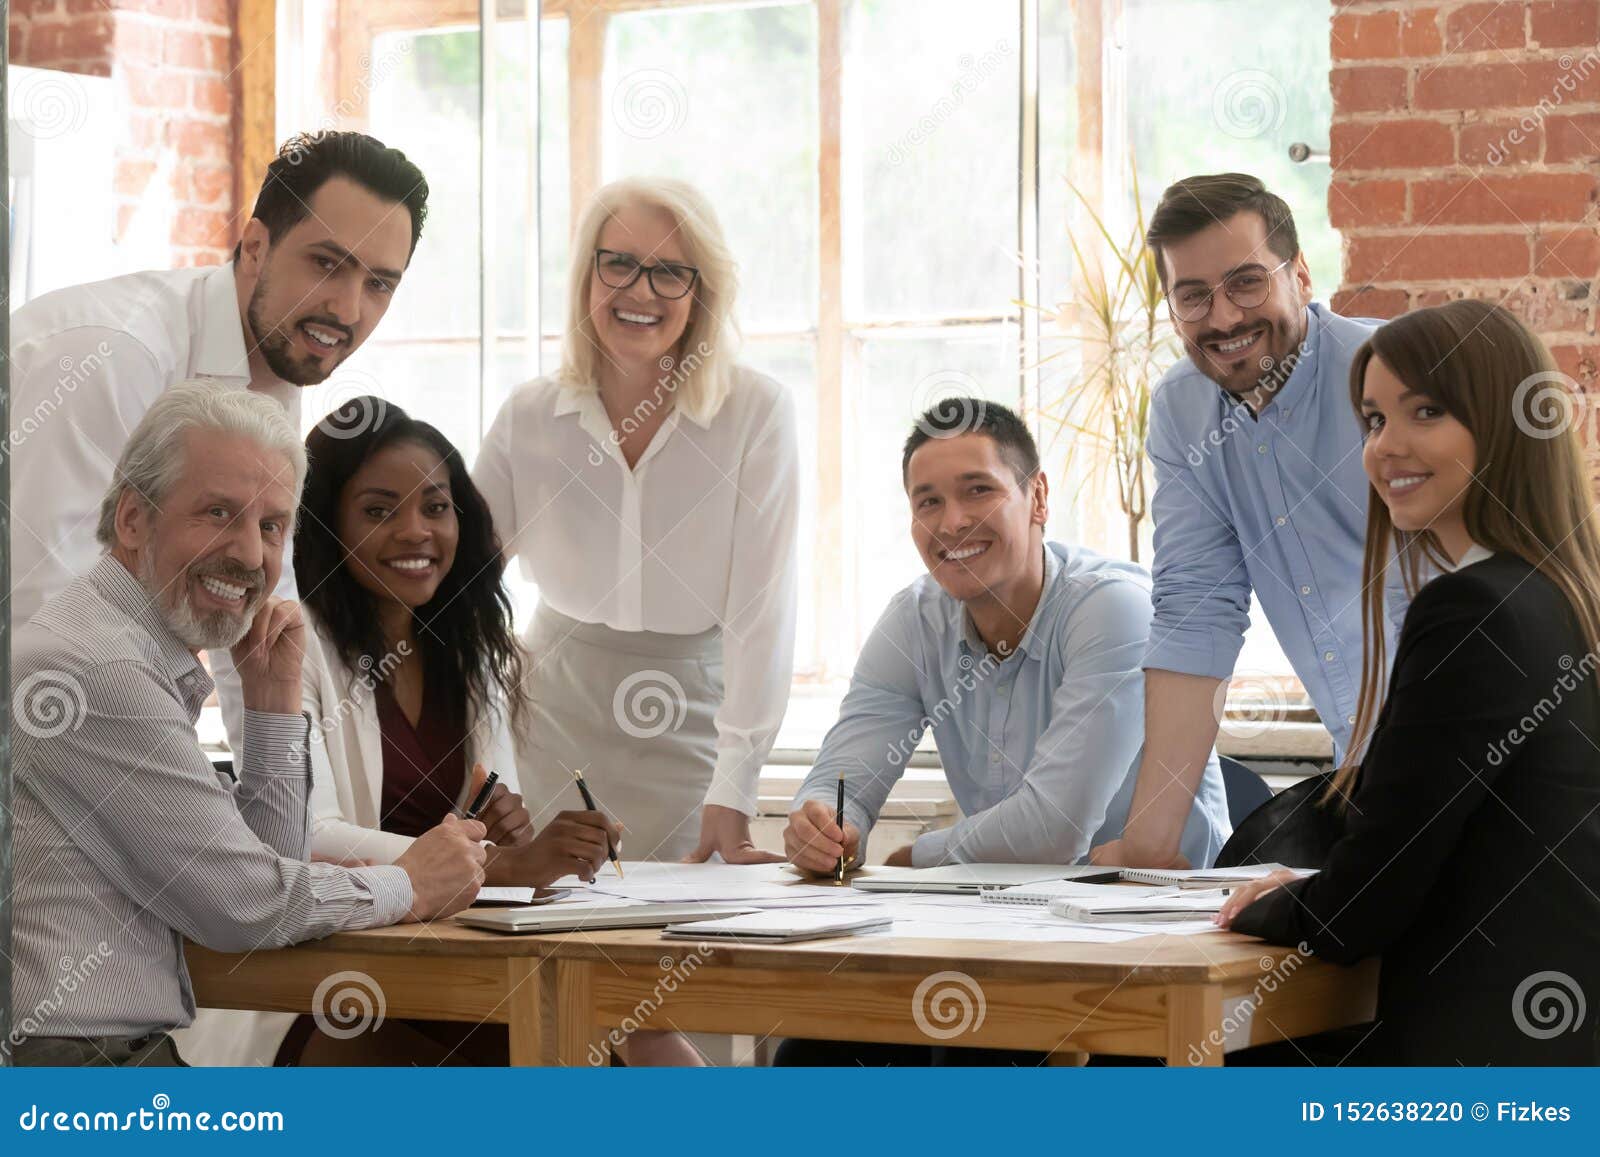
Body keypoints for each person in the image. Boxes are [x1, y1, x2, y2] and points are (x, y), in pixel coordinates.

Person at [8, 384, 486, 1067]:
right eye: (218, 513)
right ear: (134, 520)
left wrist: (271, 709)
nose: (250, 554)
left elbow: (265, 872)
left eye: (270, 526)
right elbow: (245, 906)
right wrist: (409, 881)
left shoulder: (122, 647)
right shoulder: (97, 667)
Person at [775, 400, 1230, 1066]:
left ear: (1037, 496)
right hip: (1008, 927)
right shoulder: (913, 620)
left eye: (978, 490)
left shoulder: (1115, 608)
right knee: (815, 1055)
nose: (952, 521)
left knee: (977, 1054)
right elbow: (845, 780)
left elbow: (1052, 829)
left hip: (1155, 942)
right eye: (927, 501)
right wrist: (820, 827)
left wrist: (915, 858)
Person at [1216, 301, 1600, 1065]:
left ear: (1503, 425)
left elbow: (1364, 904)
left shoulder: (1472, 609)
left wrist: (1277, 903)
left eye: (1425, 411)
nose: (1386, 447)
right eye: (1372, 419)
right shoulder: (1560, 594)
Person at [7, 129, 428, 761]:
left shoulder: (275, 385)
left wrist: (297, 819)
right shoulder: (115, 355)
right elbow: (48, 620)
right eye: (327, 264)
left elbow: (256, 625)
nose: (347, 308)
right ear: (256, 246)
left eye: (378, 284)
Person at [238, 400, 623, 1065]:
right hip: (341, 981)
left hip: (466, 970)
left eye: (435, 507)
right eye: (380, 510)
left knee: (625, 1040)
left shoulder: (469, 649)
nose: (416, 531)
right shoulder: (284, 637)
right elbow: (306, 835)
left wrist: (516, 836)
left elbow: (497, 832)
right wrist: (504, 862)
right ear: (327, 522)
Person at [474, 176, 799, 865]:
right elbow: (459, 600)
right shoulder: (527, 416)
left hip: (691, 729)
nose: (640, 291)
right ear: (586, 274)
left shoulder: (757, 413)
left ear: (701, 290)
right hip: (547, 722)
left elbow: (762, 615)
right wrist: (483, 753)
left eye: (670, 272)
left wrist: (735, 789)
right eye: (618, 262)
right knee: (543, 950)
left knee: (673, 945)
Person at [1091, 173, 1392, 870]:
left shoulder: (1390, 376)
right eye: (1193, 295)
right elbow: (1196, 615)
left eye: (1247, 282)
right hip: (1370, 780)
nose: (1223, 317)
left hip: (1492, 759)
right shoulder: (1182, 413)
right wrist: (1149, 845)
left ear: (1302, 274)